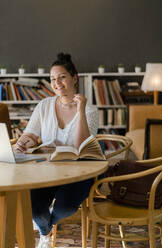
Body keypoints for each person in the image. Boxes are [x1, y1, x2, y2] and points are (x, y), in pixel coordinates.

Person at [14, 52, 98, 248]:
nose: (57, 83)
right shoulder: (44, 105)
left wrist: (80, 110)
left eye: (62, 77)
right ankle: (46, 231)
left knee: (66, 207)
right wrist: (23, 142)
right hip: (48, 169)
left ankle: (47, 227)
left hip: (79, 170)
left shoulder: (90, 110)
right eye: (52, 79)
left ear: (74, 78)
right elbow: (31, 135)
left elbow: (80, 146)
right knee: (35, 209)